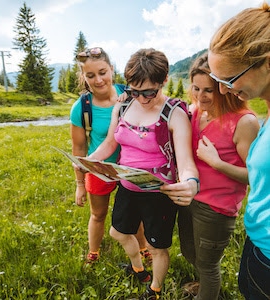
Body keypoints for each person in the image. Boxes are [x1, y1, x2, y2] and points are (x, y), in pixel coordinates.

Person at [89, 48, 199, 299]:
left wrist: (190, 182)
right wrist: (89, 161)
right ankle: (138, 268)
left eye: (149, 91)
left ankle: (155, 289)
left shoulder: (174, 113)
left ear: (164, 81)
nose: (142, 98)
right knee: (117, 232)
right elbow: (110, 143)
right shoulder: (125, 103)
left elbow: (185, 162)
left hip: (158, 193)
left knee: (156, 246)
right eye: (135, 90)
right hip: (128, 187)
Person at [180, 52, 259, 300]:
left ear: (224, 89)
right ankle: (203, 286)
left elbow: (254, 175)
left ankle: (208, 290)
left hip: (216, 208)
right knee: (190, 252)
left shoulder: (244, 122)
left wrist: (216, 162)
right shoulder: (194, 113)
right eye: (196, 89)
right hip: (189, 197)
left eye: (208, 91)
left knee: (208, 265)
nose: (201, 97)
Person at [208, 3, 270, 299]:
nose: (222, 91)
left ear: (267, 63)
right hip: (257, 244)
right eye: (217, 81)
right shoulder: (266, 113)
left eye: (229, 80)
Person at [70, 47, 151, 265]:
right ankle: (93, 253)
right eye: (90, 75)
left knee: (136, 214)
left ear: (111, 69)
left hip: (129, 166)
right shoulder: (81, 108)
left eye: (102, 72)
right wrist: (79, 184)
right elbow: (79, 148)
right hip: (98, 168)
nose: (98, 80)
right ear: (84, 78)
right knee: (98, 214)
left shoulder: (130, 95)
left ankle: (144, 249)